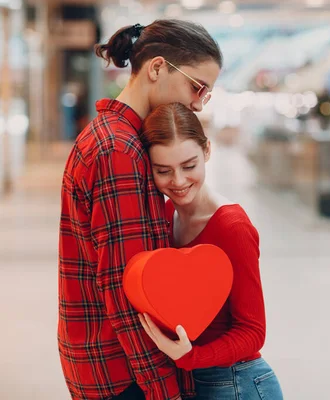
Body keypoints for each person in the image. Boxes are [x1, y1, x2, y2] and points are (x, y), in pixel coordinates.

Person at [58, 19, 222, 400]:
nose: (198, 103)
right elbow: (127, 286)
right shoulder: (119, 150)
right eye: (197, 87)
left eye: (206, 94)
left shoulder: (114, 136)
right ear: (157, 68)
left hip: (104, 360)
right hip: (122, 371)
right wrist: (165, 390)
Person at [137, 102, 284, 400]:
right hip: (198, 381)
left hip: (238, 383)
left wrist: (190, 357)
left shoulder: (232, 227)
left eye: (189, 166)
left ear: (207, 152)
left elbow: (254, 331)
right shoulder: (163, 215)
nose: (178, 182)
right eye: (163, 171)